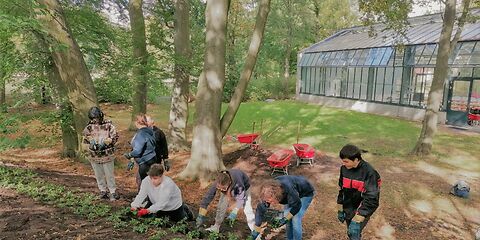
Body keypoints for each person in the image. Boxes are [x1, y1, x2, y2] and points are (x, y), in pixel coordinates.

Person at [336, 144, 381, 240]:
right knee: (350, 232)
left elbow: (372, 198)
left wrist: (359, 216)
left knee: (354, 233)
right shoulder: (344, 169)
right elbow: (342, 189)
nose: (343, 164)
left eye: (346, 161)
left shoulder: (369, 172)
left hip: (362, 208)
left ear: (356, 160)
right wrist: (340, 207)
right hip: (348, 207)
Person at [252, 175, 315, 240]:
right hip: (292, 195)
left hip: (305, 193)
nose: (268, 202)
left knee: (296, 219)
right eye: (266, 200)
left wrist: (285, 219)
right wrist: (256, 229)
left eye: (270, 200)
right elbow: (260, 212)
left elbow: (297, 206)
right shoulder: (267, 193)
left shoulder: (288, 191)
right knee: (288, 221)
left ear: (276, 196)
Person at [82, 106, 119, 201]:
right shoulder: (89, 127)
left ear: (100, 116)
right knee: (98, 174)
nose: (95, 120)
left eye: (97, 118)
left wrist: (107, 142)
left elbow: (115, 137)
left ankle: (113, 191)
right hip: (94, 155)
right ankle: (103, 190)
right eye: (93, 119)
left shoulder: (109, 125)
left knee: (109, 174)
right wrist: (91, 143)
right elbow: (85, 138)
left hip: (107, 154)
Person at [124, 114, 157, 190]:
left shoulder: (141, 134)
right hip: (152, 159)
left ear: (137, 123)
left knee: (144, 183)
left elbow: (137, 151)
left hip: (145, 162)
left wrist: (129, 155)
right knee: (150, 182)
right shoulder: (150, 131)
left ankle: (145, 200)